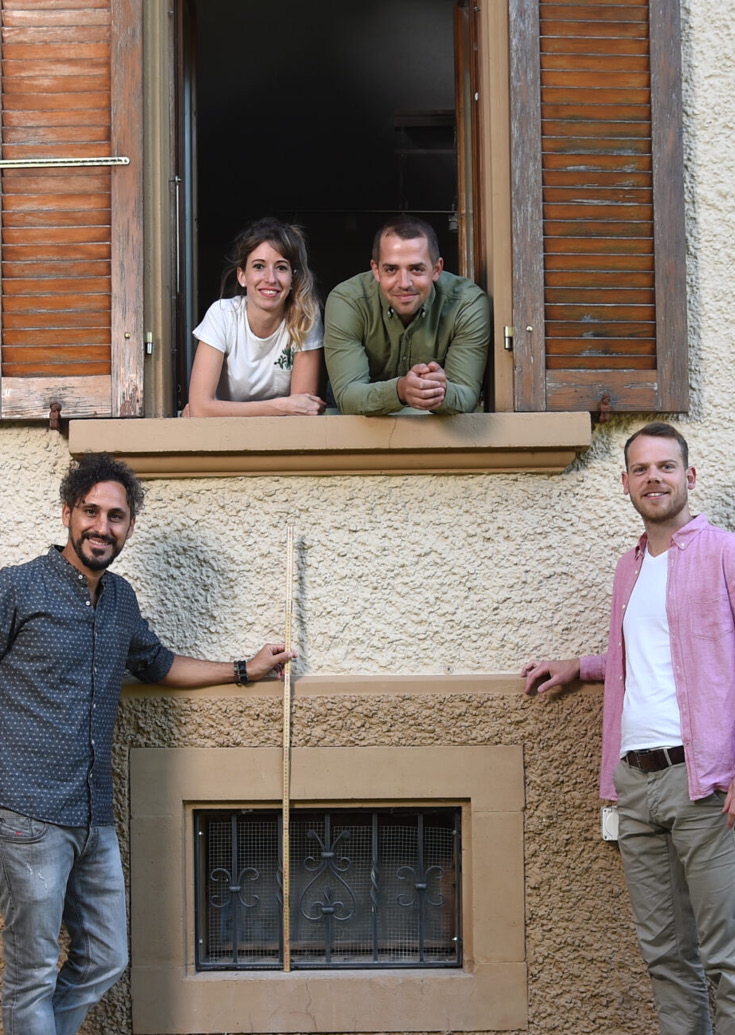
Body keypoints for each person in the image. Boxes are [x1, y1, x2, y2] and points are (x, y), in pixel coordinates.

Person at [0, 452, 295, 1035]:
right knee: (30, 975)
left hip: (94, 816)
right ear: (68, 513)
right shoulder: (16, 588)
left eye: (116, 516)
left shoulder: (120, 600)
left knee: (105, 959)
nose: (101, 527)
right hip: (27, 816)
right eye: (91, 512)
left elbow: (158, 663)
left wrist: (244, 669)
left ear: (129, 527)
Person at [522, 421, 735, 1035]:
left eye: (666, 467)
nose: (654, 479)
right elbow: (645, 654)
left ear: (689, 476)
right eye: (641, 469)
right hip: (635, 783)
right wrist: (581, 666)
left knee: (727, 957)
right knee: (666, 957)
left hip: (704, 782)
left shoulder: (723, 552)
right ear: (625, 483)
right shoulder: (630, 567)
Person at [323, 216, 490, 416]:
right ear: (375, 270)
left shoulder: (466, 303)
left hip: (438, 427)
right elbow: (348, 396)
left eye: (416, 269)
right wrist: (401, 390)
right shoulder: (348, 301)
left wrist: (438, 390)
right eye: (391, 269)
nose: (404, 283)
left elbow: (466, 395)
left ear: (436, 269)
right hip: (356, 426)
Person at [185, 217, 325, 416]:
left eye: (281, 267)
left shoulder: (305, 317)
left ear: (293, 278)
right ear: (242, 276)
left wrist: (214, 409)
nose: (271, 279)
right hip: (221, 432)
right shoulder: (222, 315)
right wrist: (282, 406)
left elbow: (302, 410)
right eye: (259, 266)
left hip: (282, 434)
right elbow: (200, 408)